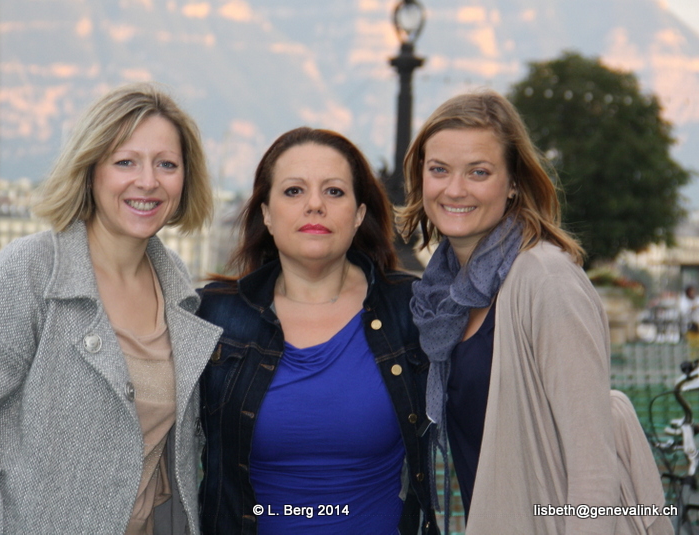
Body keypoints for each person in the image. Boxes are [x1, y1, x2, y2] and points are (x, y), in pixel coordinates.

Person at [0, 82, 222, 534]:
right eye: (125, 162)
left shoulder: (178, 290)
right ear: (90, 170)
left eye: (166, 164)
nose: (148, 181)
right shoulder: (26, 275)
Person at [399, 90, 670, 534]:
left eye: (479, 172)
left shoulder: (546, 279)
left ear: (513, 183)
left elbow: (593, 469)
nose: (455, 189)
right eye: (439, 169)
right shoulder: (444, 296)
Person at [197, 127, 437, 534]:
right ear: (266, 213)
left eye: (334, 191)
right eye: (293, 191)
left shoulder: (411, 310)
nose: (314, 205)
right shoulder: (213, 316)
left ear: (358, 214)